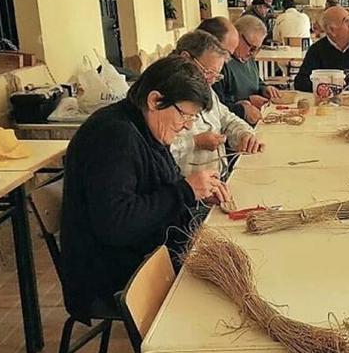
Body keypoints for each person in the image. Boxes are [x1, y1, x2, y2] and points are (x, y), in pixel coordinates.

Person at [60, 56, 231, 318]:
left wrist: (198, 193)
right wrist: (185, 192)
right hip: (111, 276)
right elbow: (116, 225)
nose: (188, 125)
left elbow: (159, 187)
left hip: (144, 255)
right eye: (185, 115)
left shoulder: (145, 127)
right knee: (219, 307)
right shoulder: (114, 136)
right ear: (154, 100)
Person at [170, 29, 263, 178]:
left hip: (216, 182)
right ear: (185, 59)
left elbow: (227, 119)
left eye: (216, 76)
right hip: (186, 192)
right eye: (208, 72)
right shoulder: (165, 95)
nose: (211, 81)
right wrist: (195, 142)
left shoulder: (205, 88)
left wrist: (244, 135)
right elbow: (154, 154)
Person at [213, 15, 281, 125]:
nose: (253, 53)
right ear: (238, 35)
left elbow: (256, 82)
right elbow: (217, 108)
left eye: (257, 49)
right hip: (236, 126)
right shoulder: (221, 64)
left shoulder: (248, 58)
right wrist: (247, 103)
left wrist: (264, 89)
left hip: (256, 120)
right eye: (252, 47)